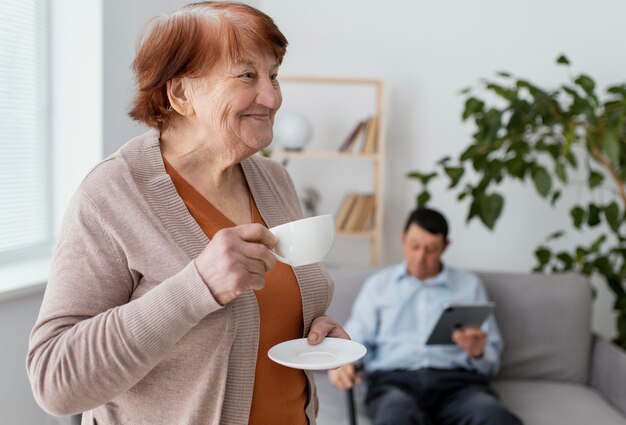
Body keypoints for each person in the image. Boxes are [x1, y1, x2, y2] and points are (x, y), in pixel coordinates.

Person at [26, 2, 347, 424]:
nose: (272, 97)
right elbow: (55, 380)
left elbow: (262, 321)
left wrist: (316, 333)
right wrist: (198, 286)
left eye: (273, 75)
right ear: (180, 94)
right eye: (247, 75)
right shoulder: (111, 196)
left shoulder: (274, 180)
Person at [328, 207, 523, 425]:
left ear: (445, 246)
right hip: (394, 384)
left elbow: (491, 363)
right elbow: (355, 339)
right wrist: (344, 363)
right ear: (402, 238)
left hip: (459, 386)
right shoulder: (379, 286)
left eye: (431, 249)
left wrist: (478, 353)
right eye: (414, 246)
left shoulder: (469, 286)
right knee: (395, 416)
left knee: (493, 416)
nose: (420, 257)